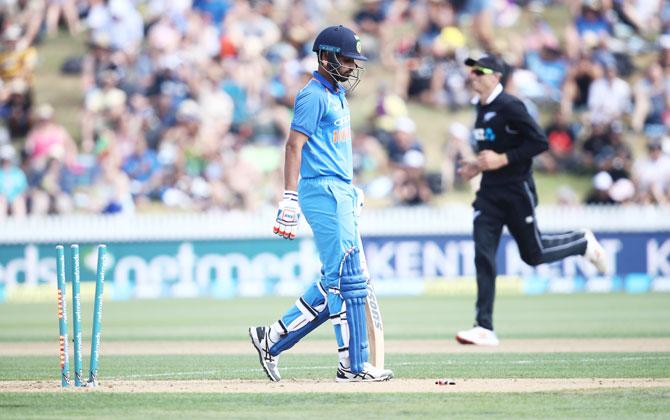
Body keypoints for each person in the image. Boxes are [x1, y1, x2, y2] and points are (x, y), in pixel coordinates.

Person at [248, 25, 394, 382]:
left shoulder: (337, 94)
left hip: (339, 190)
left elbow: (333, 149)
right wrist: (289, 197)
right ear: (326, 56)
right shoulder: (312, 95)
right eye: (346, 59)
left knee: (337, 280)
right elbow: (293, 146)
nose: (351, 66)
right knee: (347, 280)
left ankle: (273, 337)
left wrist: (350, 188)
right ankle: (352, 366)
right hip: (321, 192)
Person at [455, 55, 609, 346]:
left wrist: (502, 159)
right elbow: (493, 149)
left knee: (533, 254)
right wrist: (477, 165)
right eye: (471, 70)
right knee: (483, 255)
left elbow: (539, 142)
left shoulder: (511, 106)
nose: (472, 75)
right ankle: (484, 326)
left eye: (479, 71)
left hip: (516, 192)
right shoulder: (480, 108)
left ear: (496, 76)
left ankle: (582, 242)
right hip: (489, 194)